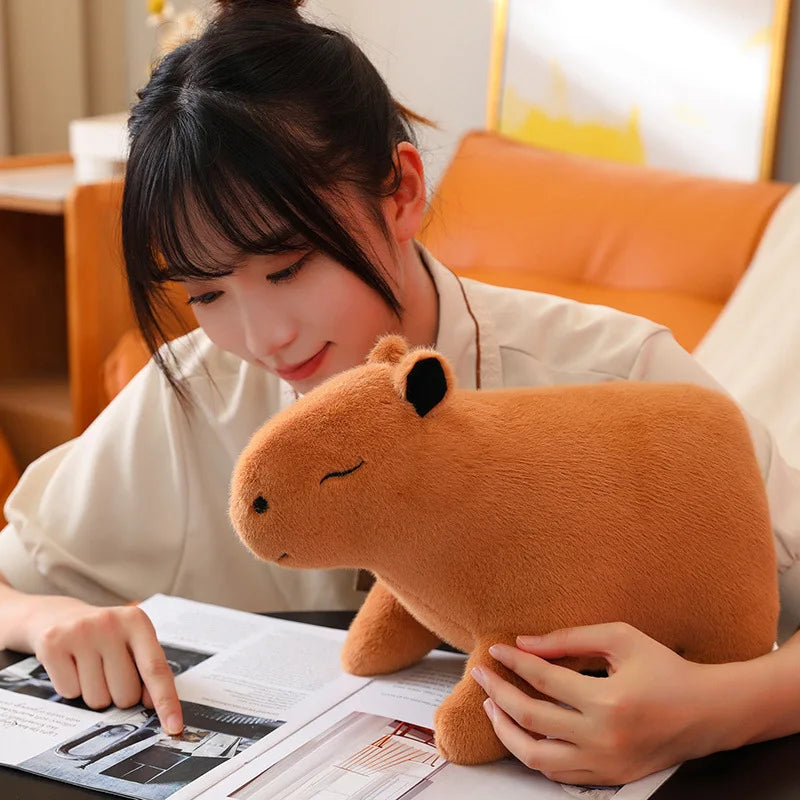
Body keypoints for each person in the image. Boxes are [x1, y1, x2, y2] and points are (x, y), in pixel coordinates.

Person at [1, 0, 799, 786]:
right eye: (207, 293)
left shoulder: (618, 380)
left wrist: (719, 707)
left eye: (287, 267)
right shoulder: (196, 392)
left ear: (402, 191)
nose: (263, 336)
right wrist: (46, 619)